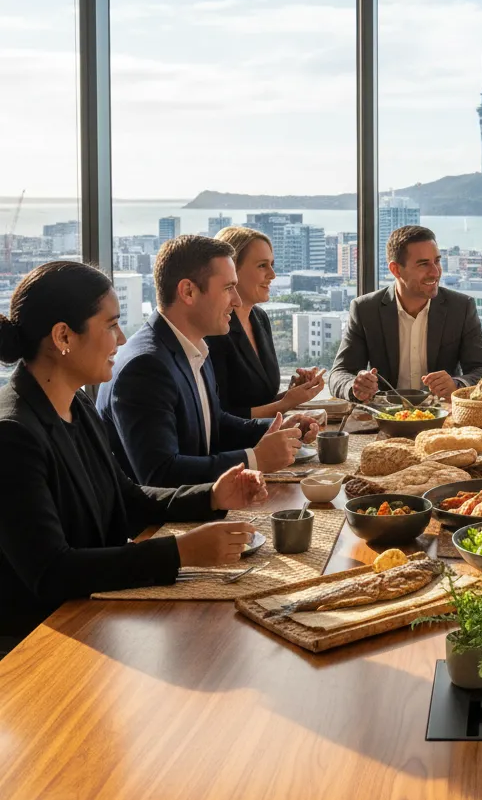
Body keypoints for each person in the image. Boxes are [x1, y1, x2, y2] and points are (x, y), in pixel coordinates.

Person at [0, 261, 269, 655]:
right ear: (63, 337)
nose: (121, 338)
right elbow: (52, 572)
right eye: (110, 326)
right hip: (42, 647)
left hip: (95, 620)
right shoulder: (13, 434)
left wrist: (212, 495)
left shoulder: (76, 403)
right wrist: (180, 552)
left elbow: (126, 499)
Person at [97, 235, 319, 486]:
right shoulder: (145, 368)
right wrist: (255, 459)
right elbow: (160, 475)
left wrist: (275, 429)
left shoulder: (192, 346)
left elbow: (214, 424)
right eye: (227, 288)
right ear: (188, 291)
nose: (236, 300)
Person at [327, 225, 482, 402]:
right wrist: (354, 386)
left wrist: (457, 384)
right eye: (424, 264)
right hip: (384, 416)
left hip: (443, 418)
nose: (435, 272)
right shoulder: (365, 309)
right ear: (396, 270)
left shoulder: (460, 307)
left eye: (437, 261)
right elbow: (339, 374)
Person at [206, 226, 325, 419]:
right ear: (232, 269)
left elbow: (260, 403)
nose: (272, 274)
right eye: (262, 265)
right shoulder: (214, 330)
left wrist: (295, 393)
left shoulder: (259, 318)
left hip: (263, 438)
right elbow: (220, 418)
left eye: (272, 264)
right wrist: (287, 403)